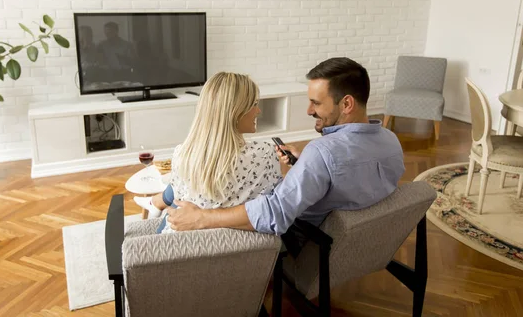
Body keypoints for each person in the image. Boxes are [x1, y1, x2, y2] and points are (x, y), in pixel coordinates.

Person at [165, 58, 405, 251]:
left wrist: (202, 218)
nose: (309, 110)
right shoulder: (392, 142)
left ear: (346, 104)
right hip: (362, 245)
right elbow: (354, 179)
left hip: (313, 244)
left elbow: (274, 213)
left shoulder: (321, 153)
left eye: (316, 103)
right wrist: (305, 166)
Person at [135, 71, 284, 234]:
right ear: (235, 111)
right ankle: (155, 203)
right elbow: (277, 201)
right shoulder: (265, 153)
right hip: (244, 250)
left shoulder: (181, 154)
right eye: (254, 104)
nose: (258, 111)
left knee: (175, 203)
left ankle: (155, 203)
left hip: (180, 247)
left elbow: (179, 200)